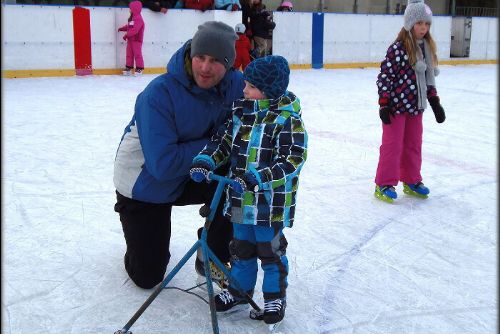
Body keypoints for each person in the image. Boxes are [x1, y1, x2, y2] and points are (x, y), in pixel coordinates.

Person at [113, 21, 245, 289]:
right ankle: (140, 240)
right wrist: (218, 142)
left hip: (193, 171)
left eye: (216, 61)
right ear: (190, 55)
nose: (205, 67)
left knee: (240, 184)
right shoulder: (158, 94)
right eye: (200, 57)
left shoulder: (236, 86)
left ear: (229, 63)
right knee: (148, 276)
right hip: (145, 184)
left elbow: (268, 105)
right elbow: (162, 165)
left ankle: (212, 254)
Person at [189, 55, 308, 325]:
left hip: (269, 203)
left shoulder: (287, 121)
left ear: (268, 91)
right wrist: (205, 160)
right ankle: (239, 292)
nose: (244, 90)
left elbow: (292, 160)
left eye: (251, 87)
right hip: (240, 197)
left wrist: (259, 178)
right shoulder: (242, 112)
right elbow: (222, 142)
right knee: (241, 249)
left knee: (270, 252)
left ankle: (275, 297)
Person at [374, 0, 446, 203]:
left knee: (414, 144)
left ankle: (412, 180)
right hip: (395, 107)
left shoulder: (427, 49)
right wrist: (384, 103)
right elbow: (385, 77)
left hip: (417, 107)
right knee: (393, 146)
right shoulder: (397, 49)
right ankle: (384, 183)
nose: (423, 28)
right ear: (409, 24)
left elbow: (428, 78)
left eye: (427, 24)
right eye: (419, 23)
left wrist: (435, 102)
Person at [118, 1, 145, 76]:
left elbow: (135, 30)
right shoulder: (133, 18)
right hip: (131, 40)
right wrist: (122, 29)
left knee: (137, 54)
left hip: (136, 40)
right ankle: (129, 68)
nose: (129, 10)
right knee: (129, 54)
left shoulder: (138, 18)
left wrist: (126, 35)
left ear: (135, 9)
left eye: (130, 8)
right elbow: (129, 26)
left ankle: (139, 68)